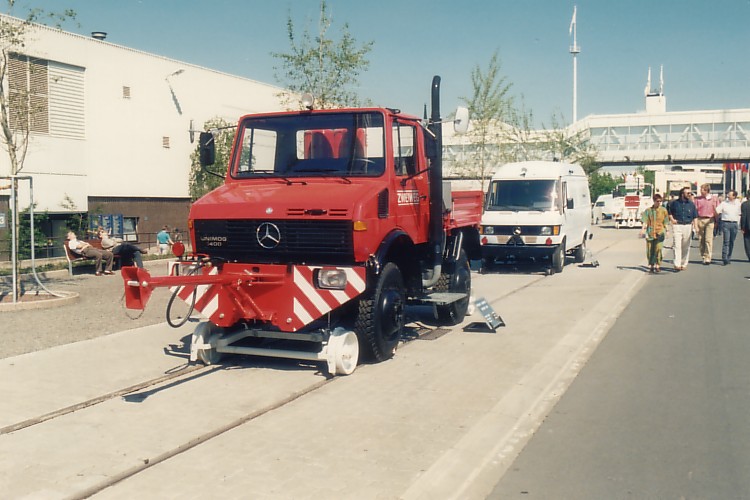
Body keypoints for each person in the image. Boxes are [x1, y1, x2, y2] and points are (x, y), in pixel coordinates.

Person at [668, 186, 698, 271]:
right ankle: (677, 264)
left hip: (688, 226)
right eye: (688, 193)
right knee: (677, 245)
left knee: (686, 245)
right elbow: (669, 212)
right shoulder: (675, 203)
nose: (689, 194)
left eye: (690, 193)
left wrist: (696, 227)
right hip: (678, 225)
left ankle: (683, 263)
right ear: (682, 194)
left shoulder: (691, 204)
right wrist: (672, 219)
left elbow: (695, 216)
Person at [640, 193, 670, 273]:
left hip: (660, 232)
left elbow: (666, 221)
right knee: (650, 250)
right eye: (657, 201)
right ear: (654, 201)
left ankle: (658, 265)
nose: (659, 203)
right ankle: (651, 265)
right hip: (650, 232)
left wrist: (667, 231)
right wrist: (642, 230)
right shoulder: (648, 210)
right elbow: (645, 221)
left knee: (658, 249)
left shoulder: (663, 210)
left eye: (660, 201)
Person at [692, 183, 719, 265]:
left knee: (708, 239)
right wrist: (694, 223)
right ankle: (703, 254)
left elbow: (717, 211)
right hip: (700, 219)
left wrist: (717, 221)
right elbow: (694, 211)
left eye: (702, 190)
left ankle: (708, 257)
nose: (700, 191)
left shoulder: (714, 199)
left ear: (707, 190)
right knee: (701, 239)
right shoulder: (697, 199)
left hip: (710, 220)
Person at [716, 190, 741, 265]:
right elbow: (717, 210)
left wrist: (739, 224)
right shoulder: (724, 203)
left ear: (734, 196)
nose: (728, 196)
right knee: (726, 241)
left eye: (730, 195)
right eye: (728, 194)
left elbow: (740, 214)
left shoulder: (738, 204)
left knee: (732, 241)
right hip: (726, 223)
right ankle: (724, 258)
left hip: (734, 224)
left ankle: (729, 256)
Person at [741, 190, 750, 262]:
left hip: (747, 226)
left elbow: (743, 216)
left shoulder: (745, 204)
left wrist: (742, 227)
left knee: (747, 241)